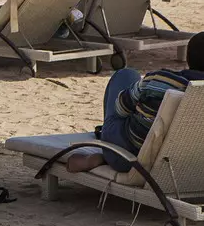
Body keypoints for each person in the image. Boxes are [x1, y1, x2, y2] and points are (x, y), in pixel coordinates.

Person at [63, 35, 204, 174]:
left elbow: (120, 109)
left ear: (188, 58)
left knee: (126, 74)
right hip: (186, 162)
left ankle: (108, 152)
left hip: (129, 158)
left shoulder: (160, 81)